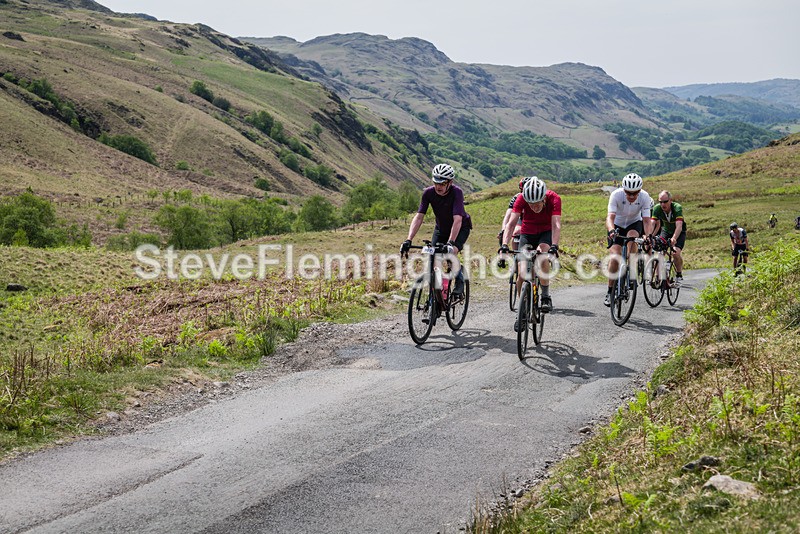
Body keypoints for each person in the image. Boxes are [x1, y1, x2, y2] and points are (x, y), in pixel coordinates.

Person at [400, 163, 472, 296]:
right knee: (434, 260)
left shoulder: (457, 192)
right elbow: (419, 217)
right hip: (441, 229)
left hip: (461, 228)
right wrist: (408, 239)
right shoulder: (428, 193)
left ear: (450, 182)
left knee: (451, 254)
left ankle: (460, 280)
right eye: (436, 182)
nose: (438, 186)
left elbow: (457, 220)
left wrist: (450, 243)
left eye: (442, 183)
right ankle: (435, 298)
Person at [499, 177, 561, 322]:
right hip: (527, 233)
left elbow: (556, 225)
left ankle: (545, 295)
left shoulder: (554, 198)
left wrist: (554, 246)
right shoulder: (521, 198)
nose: (534, 207)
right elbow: (511, 223)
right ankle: (523, 309)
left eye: (537, 203)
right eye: (530, 204)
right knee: (521, 274)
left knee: (542, 256)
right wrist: (504, 245)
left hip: (545, 232)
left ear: (543, 198)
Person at [604, 173, 654, 306]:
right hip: (617, 225)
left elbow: (647, 221)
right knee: (615, 257)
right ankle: (610, 291)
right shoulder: (616, 195)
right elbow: (610, 217)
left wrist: (648, 236)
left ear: (640, 190)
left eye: (635, 193)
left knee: (632, 240)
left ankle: (631, 272)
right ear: (623, 189)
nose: (631, 196)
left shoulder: (645, 197)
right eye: (628, 193)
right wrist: (611, 230)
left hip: (634, 223)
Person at [650, 190, 686, 286]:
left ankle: (678, 274)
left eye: (665, 202)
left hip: (679, 232)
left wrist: (674, 238)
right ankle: (658, 278)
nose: (663, 204)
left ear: (670, 200)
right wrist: (648, 235)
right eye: (660, 202)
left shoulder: (677, 208)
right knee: (658, 253)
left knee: (676, 253)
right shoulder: (657, 208)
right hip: (665, 231)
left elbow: (679, 226)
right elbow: (652, 223)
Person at [496, 177, 529, 264]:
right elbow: (508, 215)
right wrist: (503, 230)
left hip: (533, 221)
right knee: (514, 232)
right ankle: (515, 256)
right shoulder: (517, 198)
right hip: (521, 219)